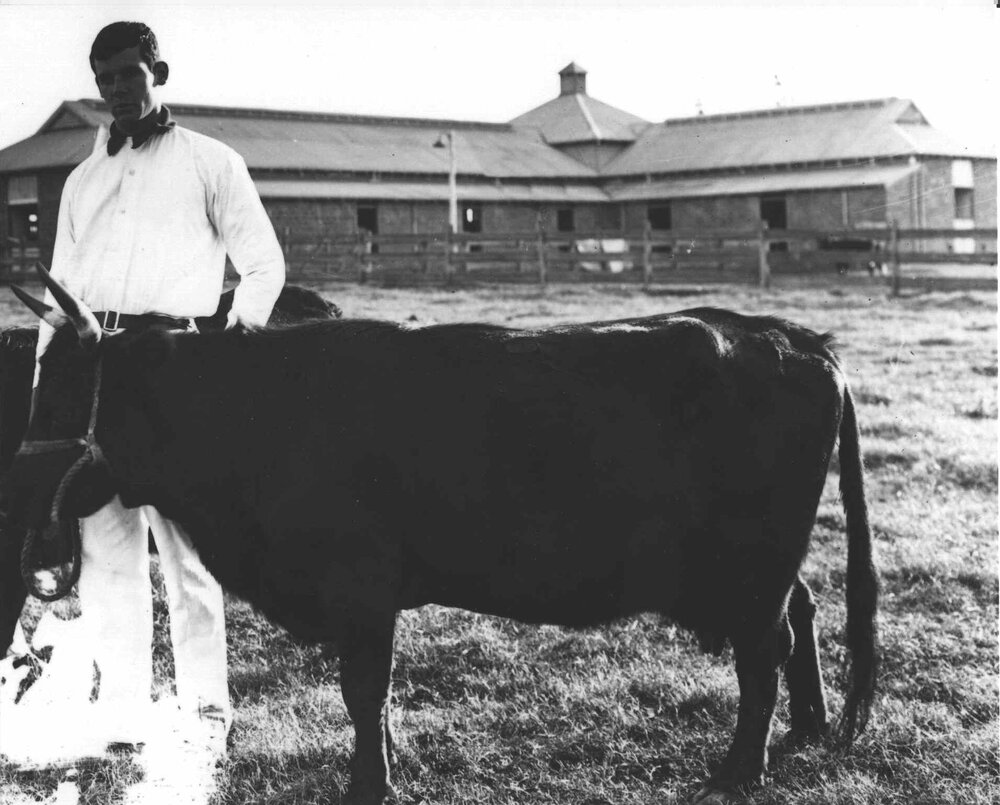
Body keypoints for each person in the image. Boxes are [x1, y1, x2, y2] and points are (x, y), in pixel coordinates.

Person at [4, 20, 285, 768]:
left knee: (186, 549)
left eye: (130, 74)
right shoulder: (82, 180)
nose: (118, 91)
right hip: (93, 374)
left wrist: (232, 345)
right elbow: (62, 297)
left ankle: (205, 708)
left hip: (173, 372)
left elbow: (263, 266)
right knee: (103, 548)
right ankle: (124, 708)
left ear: (158, 70)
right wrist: (44, 384)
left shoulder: (211, 163)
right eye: (105, 80)